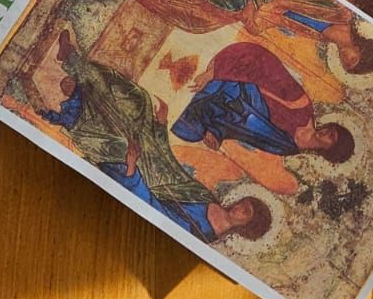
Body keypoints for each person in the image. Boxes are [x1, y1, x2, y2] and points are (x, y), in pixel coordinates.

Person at [36, 28, 271, 245]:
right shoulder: (207, 197)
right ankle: (71, 59)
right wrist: (160, 126)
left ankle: (74, 97)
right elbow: (170, 166)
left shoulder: (199, 232)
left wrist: (131, 169)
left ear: (246, 226)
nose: (240, 207)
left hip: (135, 175)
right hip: (151, 153)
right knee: (137, 101)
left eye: (246, 212)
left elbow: (151, 207)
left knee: (114, 138)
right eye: (245, 204)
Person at [172, 41, 355, 163]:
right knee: (206, 95)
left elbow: (245, 133)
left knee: (189, 131)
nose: (326, 132)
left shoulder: (285, 148)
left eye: (331, 137)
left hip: (222, 113)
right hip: (231, 85)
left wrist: (217, 133)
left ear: (329, 151)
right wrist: (214, 73)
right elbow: (264, 63)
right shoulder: (301, 106)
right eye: (331, 130)